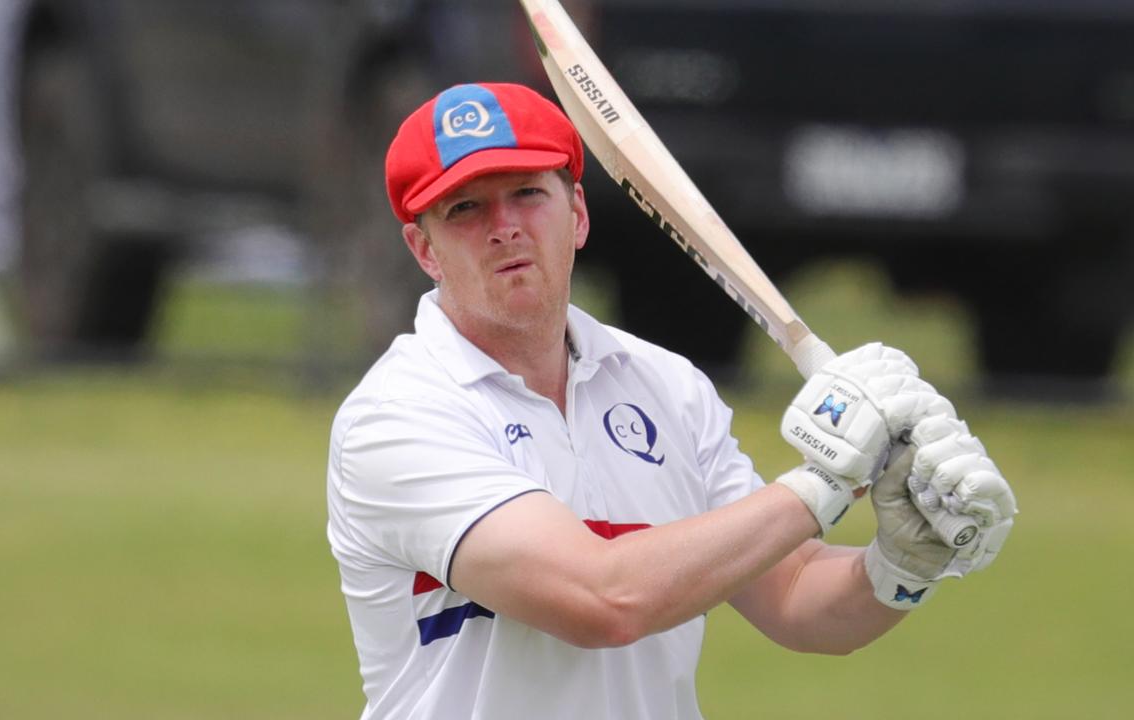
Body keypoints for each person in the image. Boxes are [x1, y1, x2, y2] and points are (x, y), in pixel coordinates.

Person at [326, 82, 1017, 720]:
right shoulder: (397, 416)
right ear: (424, 249)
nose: (504, 225)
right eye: (466, 207)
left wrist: (900, 565)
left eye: (527, 194)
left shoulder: (668, 387)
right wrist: (826, 480)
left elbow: (797, 599)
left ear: (578, 213)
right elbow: (602, 599)